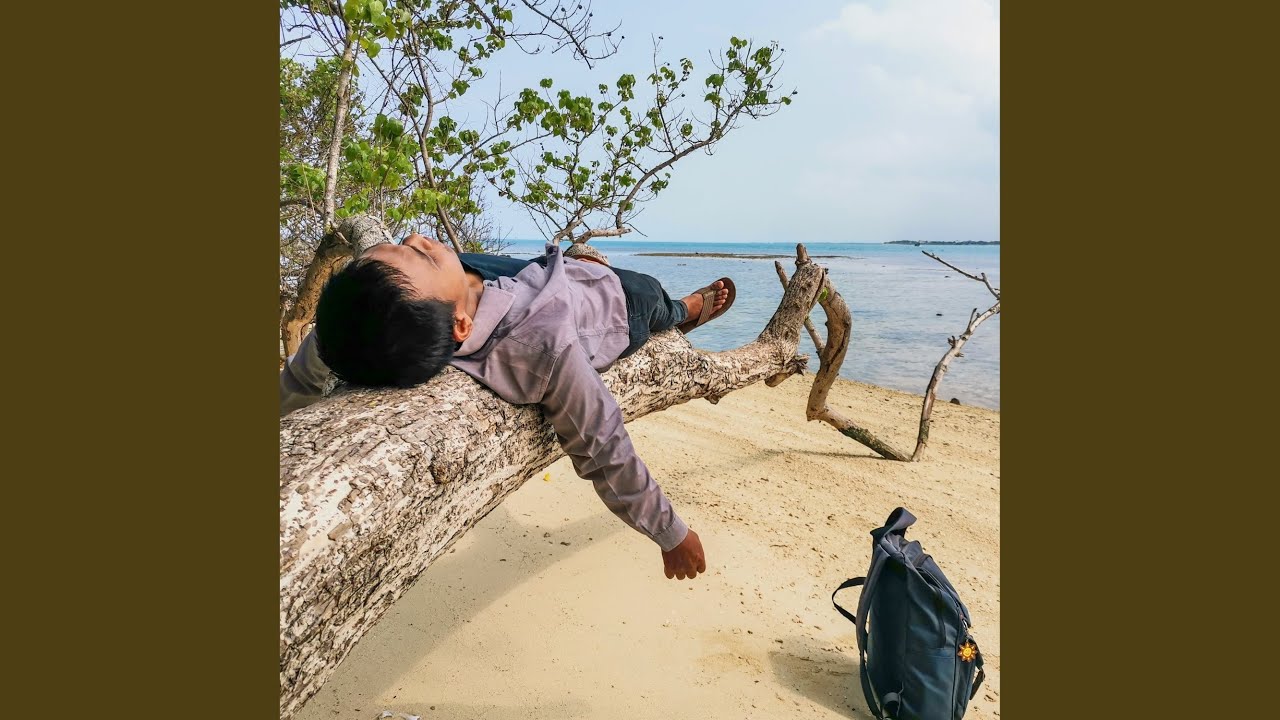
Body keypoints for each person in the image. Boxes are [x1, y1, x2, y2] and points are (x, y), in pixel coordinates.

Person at [279, 234, 737, 581]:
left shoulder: (375, 327)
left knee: (461, 266)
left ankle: (579, 263)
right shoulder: (542, 345)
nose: (418, 236)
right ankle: (685, 310)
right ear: (461, 325)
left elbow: (310, 363)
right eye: (423, 255)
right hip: (617, 305)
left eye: (403, 243)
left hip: (529, 276)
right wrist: (670, 533)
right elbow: (602, 441)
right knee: (656, 300)